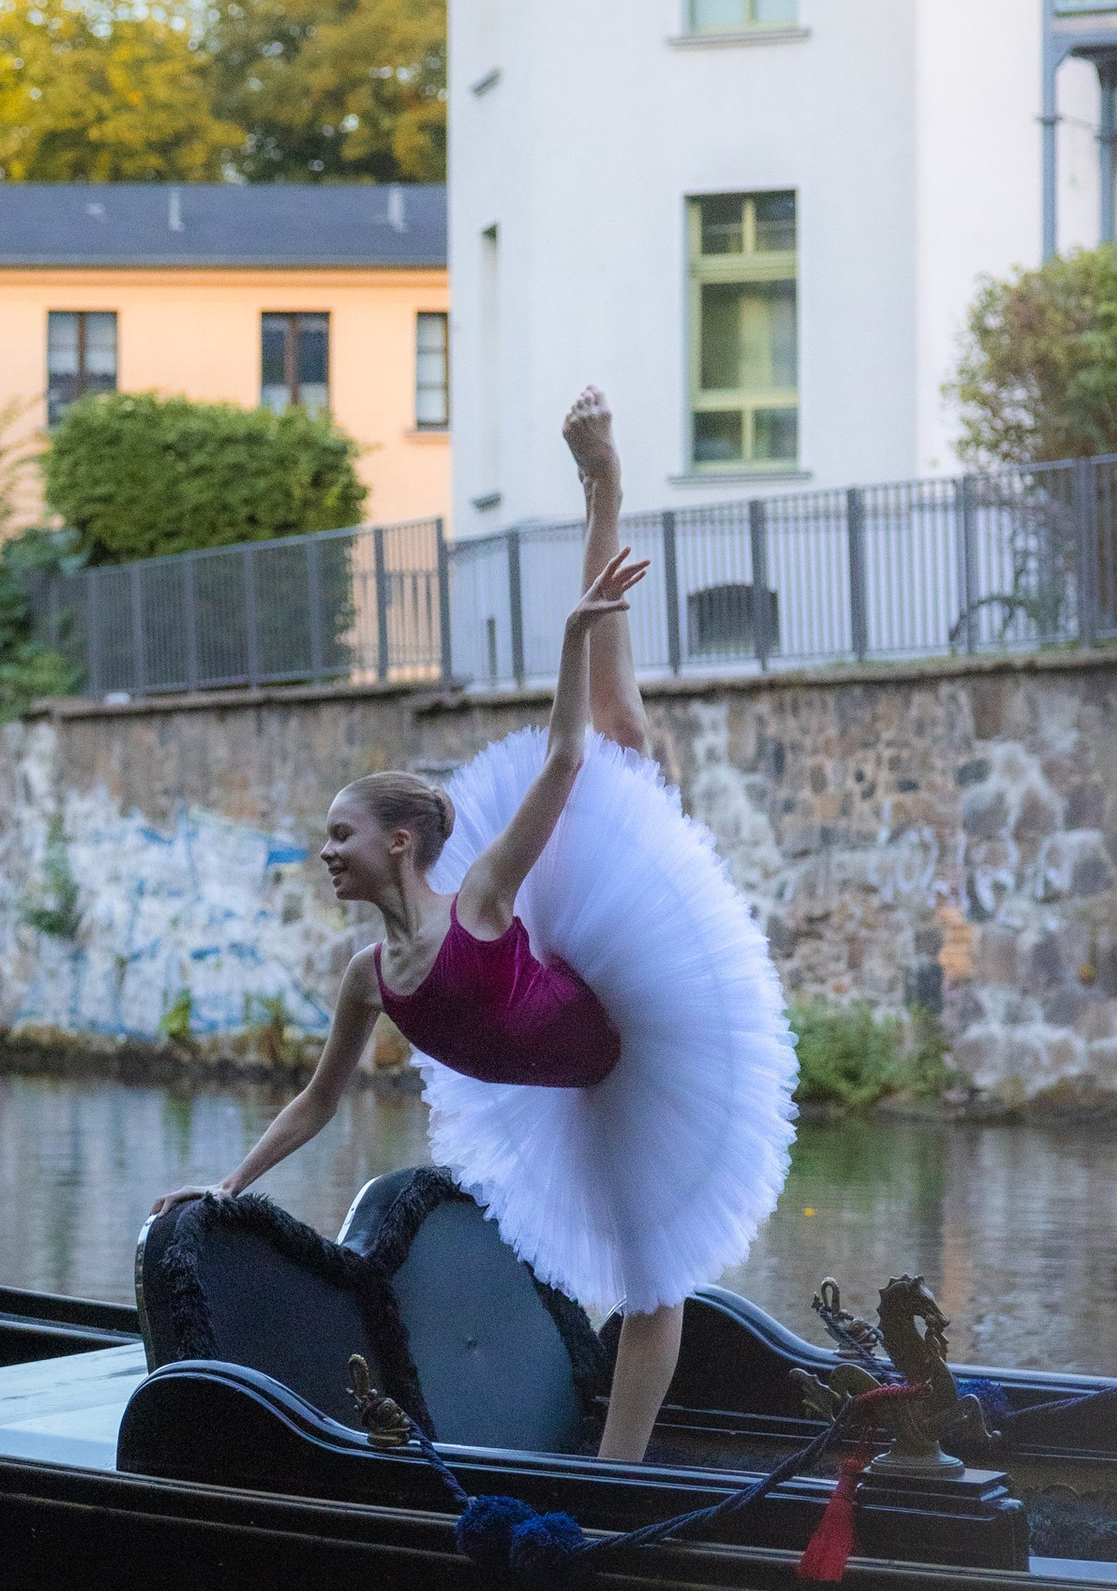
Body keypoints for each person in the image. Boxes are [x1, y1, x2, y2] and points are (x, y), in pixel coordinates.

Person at [152, 391, 794, 1463]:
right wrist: (222, 1190)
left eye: (338, 834)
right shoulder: (368, 977)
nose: (323, 852)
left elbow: (561, 758)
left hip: (631, 1021)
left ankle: (604, 487)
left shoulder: (484, 901)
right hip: (571, 1085)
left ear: (398, 844)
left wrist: (573, 634)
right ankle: (611, 1475)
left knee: (621, 735)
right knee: (628, 733)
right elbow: (317, 1101)